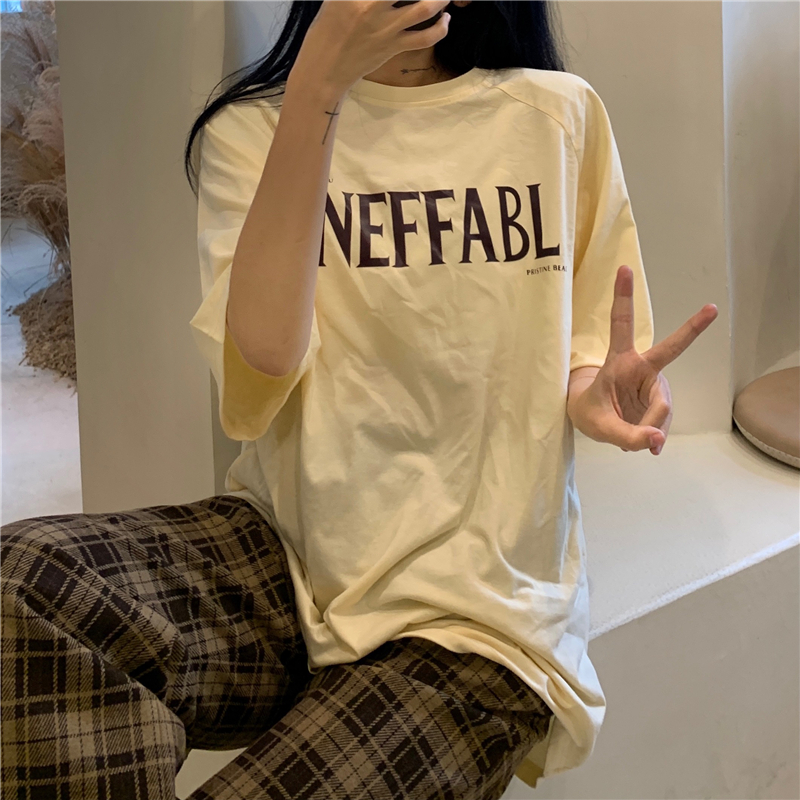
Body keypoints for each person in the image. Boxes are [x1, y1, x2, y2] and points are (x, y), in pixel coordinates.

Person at [0, 1, 718, 798]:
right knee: (22, 584)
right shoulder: (251, 130)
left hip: (478, 613)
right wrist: (318, 85)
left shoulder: (557, 114)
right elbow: (264, 364)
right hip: (291, 557)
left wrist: (593, 394)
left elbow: (585, 352)